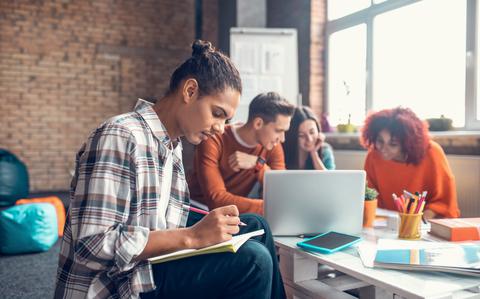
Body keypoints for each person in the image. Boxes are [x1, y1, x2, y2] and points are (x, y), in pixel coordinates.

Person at [55, 40, 286, 299]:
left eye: (226, 119)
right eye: (217, 113)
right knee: (253, 262)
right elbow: (92, 245)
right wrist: (192, 237)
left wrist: (207, 229)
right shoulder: (120, 135)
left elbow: (160, 220)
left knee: (257, 226)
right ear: (189, 91)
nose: (221, 128)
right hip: (119, 283)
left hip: (151, 262)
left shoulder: (172, 146)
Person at [187, 92, 295, 215]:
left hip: (233, 214)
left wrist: (258, 164)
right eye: (278, 131)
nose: (282, 139)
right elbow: (216, 200)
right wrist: (273, 207)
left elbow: (282, 193)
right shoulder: (214, 139)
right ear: (258, 123)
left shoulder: (272, 145)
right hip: (198, 211)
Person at [361, 107, 460, 220]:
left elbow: (444, 201)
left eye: (393, 144)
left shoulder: (432, 152)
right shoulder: (374, 155)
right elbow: (369, 198)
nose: (383, 148)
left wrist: (417, 222)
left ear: (408, 144)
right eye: (380, 141)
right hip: (386, 222)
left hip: (424, 223)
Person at [283, 106, 335, 170]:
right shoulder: (283, 150)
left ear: (318, 130)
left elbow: (329, 179)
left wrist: (314, 154)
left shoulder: (325, 151)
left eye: (312, 132)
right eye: (301, 135)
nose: (309, 139)